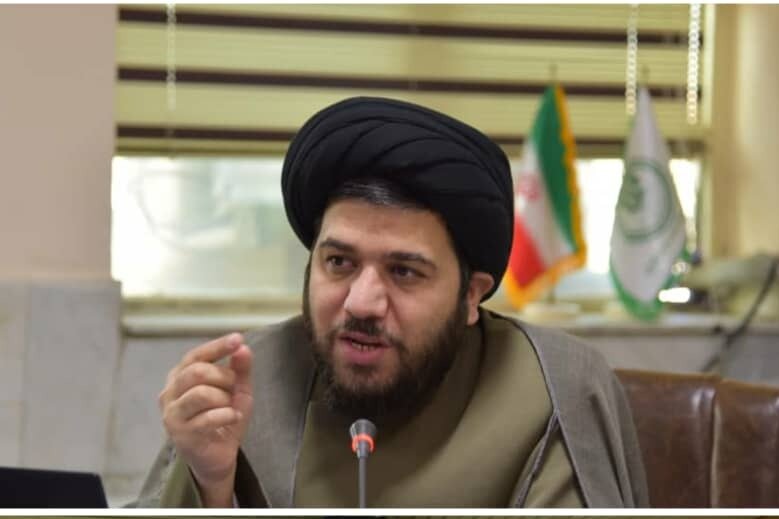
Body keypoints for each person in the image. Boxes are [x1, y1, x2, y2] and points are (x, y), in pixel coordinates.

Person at [135, 96, 649, 508]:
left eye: (404, 272)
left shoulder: (552, 389)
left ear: (471, 295)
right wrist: (211, 482)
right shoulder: (251, 381)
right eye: (339, 262)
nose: (362, 304)